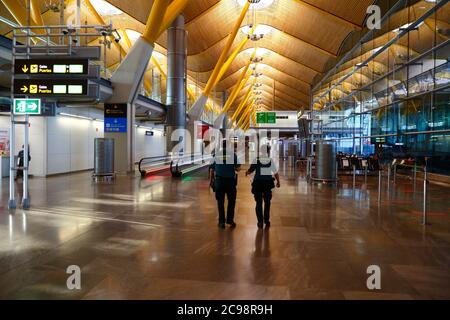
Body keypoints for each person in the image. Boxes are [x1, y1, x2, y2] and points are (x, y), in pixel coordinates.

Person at [246, 145, 280, 229]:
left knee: (259, 203)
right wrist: (278, 181)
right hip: (267, 184)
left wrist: (247, 172)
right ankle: (266, 220)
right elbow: (275, 172)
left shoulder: (257, 159)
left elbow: (251, 170)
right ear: (268, 152)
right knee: (267, 202)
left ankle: (260, 222)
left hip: (257, 184)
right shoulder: (270, 160)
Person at [210, 140, 241, 229]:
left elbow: (212, 169)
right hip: (230, 182)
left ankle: (221, 222)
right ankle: (230, 220)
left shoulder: (216, 155)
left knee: (220, 202)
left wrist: (212, 180)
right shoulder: (232, 155)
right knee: (231, 201)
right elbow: (238, 168)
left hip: (219, 181)